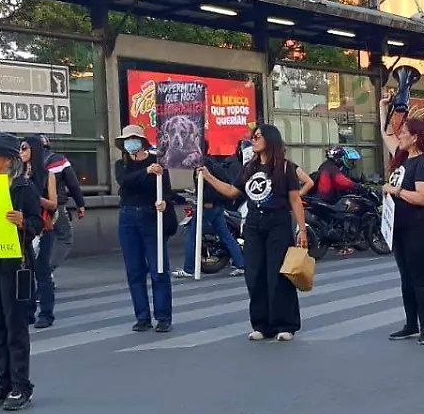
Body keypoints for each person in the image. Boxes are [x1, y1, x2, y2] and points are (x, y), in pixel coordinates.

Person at [200, 124, 307, 341]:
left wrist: (302, 229)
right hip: (253, 225)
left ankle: (284, 324)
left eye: (258, 136)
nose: (254, 140)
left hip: (278, 223)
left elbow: (295, 199)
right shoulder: (250, 168)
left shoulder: (285, 168)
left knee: (277, 274)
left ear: (270, 139)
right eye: (253, 137)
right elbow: (232, 191)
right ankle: (261, 324)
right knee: (254, 274)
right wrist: (208, 177)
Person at [0, 132, 45, 411]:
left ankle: (20, 384)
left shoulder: (22, 187)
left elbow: (38, 224)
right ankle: (2, 382)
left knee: (15, 324)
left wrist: (22, 221)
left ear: (7, 160)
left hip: (13, 264)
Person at [380, 118, 424, 344]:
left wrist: (395, 191)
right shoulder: (403, 158)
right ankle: (410, 324)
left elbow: (423, 197)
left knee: (418, 276)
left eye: (404, 132)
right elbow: (386, 134)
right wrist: (384, 109)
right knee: (405, 277)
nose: (400, 135)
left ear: (416, 137)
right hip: (399, 225)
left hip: (418, 226)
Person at [114, 125, 173, 332]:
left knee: (159, 269)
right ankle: (142, 316)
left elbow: (166, 191)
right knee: (134, 270)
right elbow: (124, 181)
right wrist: (145, 171)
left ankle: (163, 316)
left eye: (133, 139)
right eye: (126, 140)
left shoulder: (157, 162)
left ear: (141, 141)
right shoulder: (121, 164)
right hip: (127, 217)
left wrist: (164, 202)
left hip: (151, 216)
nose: (130, 143)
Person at [176, 137, 246, 279]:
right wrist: (196, 192)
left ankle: (189, 269)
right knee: (225, 235)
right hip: (216, 205)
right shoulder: (211, 161)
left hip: (208, 206)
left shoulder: (203, 165)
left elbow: (212, 185)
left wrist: (207, 199)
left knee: (193, 236)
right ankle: (241, 264)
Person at [21, 136, 59, 329]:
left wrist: (35, 197)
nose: (22, 152)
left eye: (25, 148)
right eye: (20, 149)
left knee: (42, 271)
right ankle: (27, 312)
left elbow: (53, 203)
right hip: (23, 227)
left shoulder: (47, 175)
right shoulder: (18, 175)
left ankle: (46, 313)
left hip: (43, 227)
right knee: (25, 271)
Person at [41, 136, 86, 273]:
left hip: (33, 206)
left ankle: (42, 275)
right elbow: (73, 184)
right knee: (64, 238)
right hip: (55, 207)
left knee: (41, 240)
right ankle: (45, 271)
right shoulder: (59, 160)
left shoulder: (28, 161)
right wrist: (80, 204)